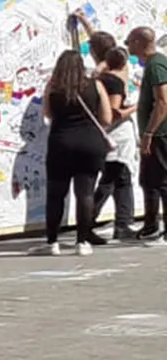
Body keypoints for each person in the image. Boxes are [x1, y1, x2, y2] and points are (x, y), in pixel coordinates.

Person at [39, 50, 114, 255]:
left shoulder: (53, 87)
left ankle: (52, 243)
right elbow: (107, 118)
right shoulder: (96, 85)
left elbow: (47, 114)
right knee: (85, 193)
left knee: (56, 195)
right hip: (90, 144)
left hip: (61, 143)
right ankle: (82, 242)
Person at [88, 32, 141, 240]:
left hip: (104, 136)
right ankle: (118, 223)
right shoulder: (114, 82)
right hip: (117, 136)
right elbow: (114, 112)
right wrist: (137, 106)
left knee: (113, 179)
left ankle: (117, 222)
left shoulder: (96, 78)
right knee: (117, 179)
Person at [128, 27, 167, 244]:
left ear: (138, 42)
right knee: (149, 181)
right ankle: (151, 224)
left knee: (162, 181)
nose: (127, 45)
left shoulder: (156, 65)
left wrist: (149, 133)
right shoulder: (152, 64)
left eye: (129, 41)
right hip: (154, 134)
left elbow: (163, 102)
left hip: (160, 134)